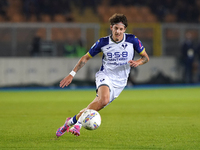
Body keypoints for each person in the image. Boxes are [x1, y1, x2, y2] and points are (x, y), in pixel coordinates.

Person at [56, 13, 149, 137]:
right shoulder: (103, 42)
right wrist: (72, 74)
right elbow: (85, 58)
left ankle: (68, 123)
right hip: (105, 75)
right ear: (111, 27)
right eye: (116, 28)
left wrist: (138, 62)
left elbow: (146, 58)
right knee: (104, 100)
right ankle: (77, 126)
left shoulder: (133, 40)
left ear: (124, 29)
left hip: (120, 82)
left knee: (97, 105)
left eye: (121, 29)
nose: (118, 31)